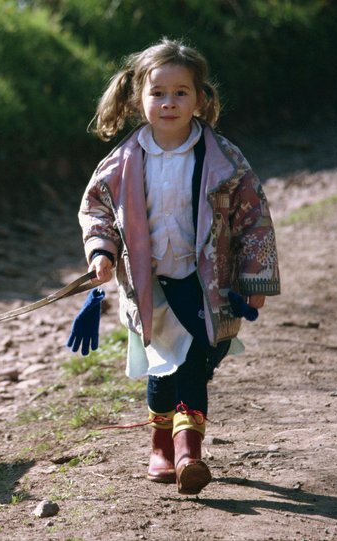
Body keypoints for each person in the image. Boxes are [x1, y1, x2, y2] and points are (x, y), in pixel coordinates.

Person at [76, 38, 280, 495]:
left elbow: (254, 220)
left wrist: (255, 277)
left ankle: (186, 451)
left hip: (210, 284)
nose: (169, 102)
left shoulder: (226, 161)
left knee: (194, 360)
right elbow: (97, 211)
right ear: (137, 99)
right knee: (163, 366)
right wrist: (101, 253)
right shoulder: (121, 163)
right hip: (150, 285)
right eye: (158, 93)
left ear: (201, 100)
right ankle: (166, 447)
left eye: (181, 92)